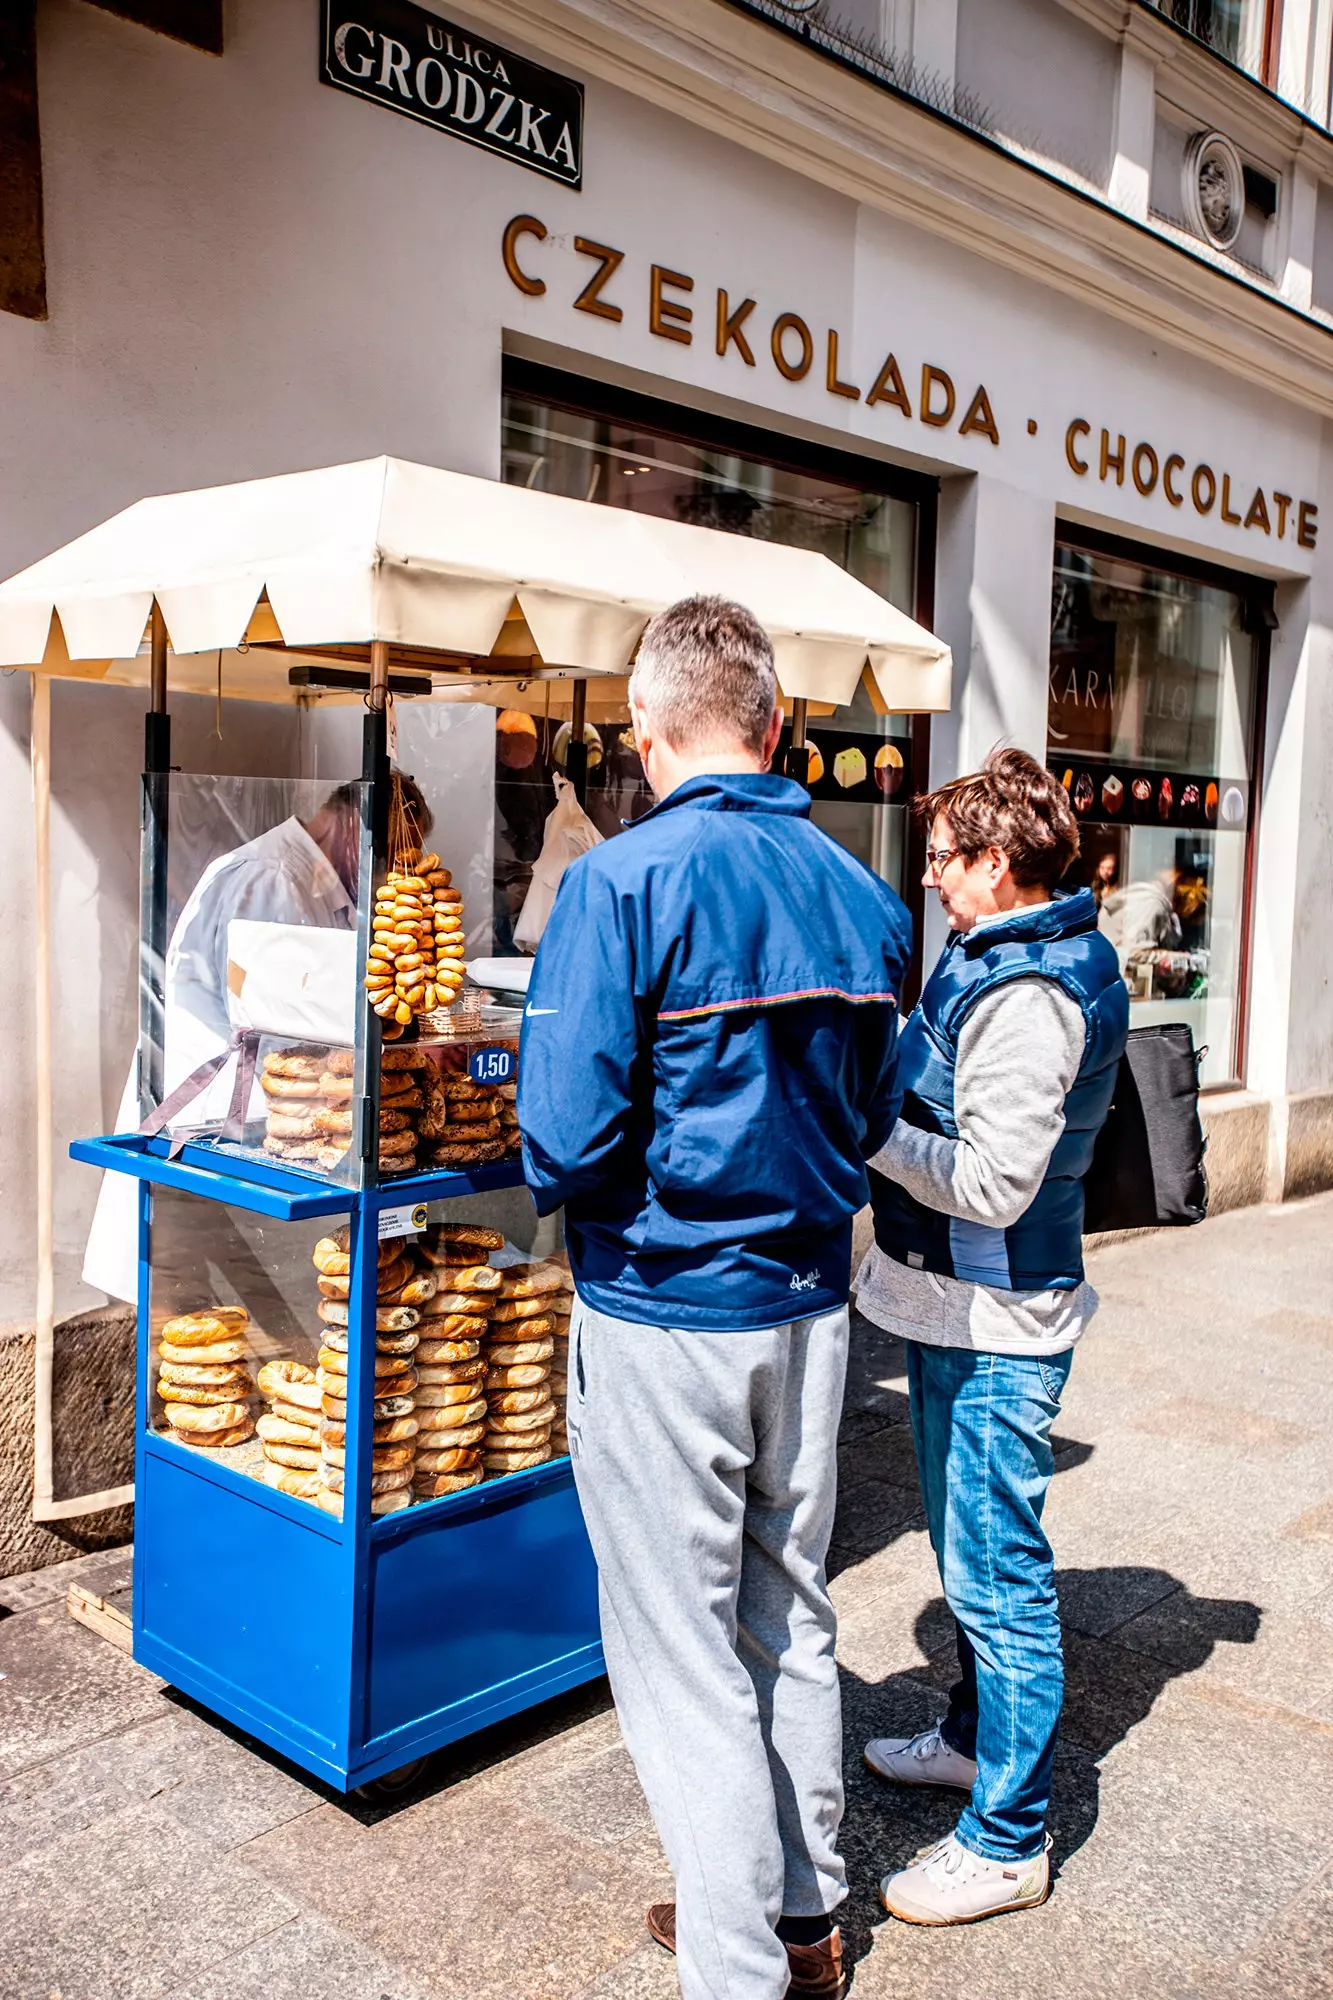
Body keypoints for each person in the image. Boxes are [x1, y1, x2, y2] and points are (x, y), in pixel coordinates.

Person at [518, 596, 911, 2000]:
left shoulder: (619, 884)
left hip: (664, 1307)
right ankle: (806, 1921)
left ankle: (740, 1966)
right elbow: (878, 1106)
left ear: (642, 735)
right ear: (776, 721)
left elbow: (560, 1141)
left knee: (681, 1654)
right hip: (811, 1305)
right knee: (789, 1610)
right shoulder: (865, 893)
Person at [854, 748, 1128, 1926]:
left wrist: (862, 1128)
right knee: (974, 1554)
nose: (929, 878)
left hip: (995, 1315)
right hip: (956, 1304)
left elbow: (995, 1180)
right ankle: (973, 1741)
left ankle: (1008, 1834)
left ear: (1001, 862)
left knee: (994, 1572)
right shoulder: (1005, 951)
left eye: (944, 857)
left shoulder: (1029, 990)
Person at [82, 775, 430, 1301]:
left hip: (241, 1139)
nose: (388, 881)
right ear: (351, 827)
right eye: (390, 862)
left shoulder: (310, 885)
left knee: (248, 1325)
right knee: (192, 1331)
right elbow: (288, 1036)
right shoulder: (273, 881)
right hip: (209, 1141)